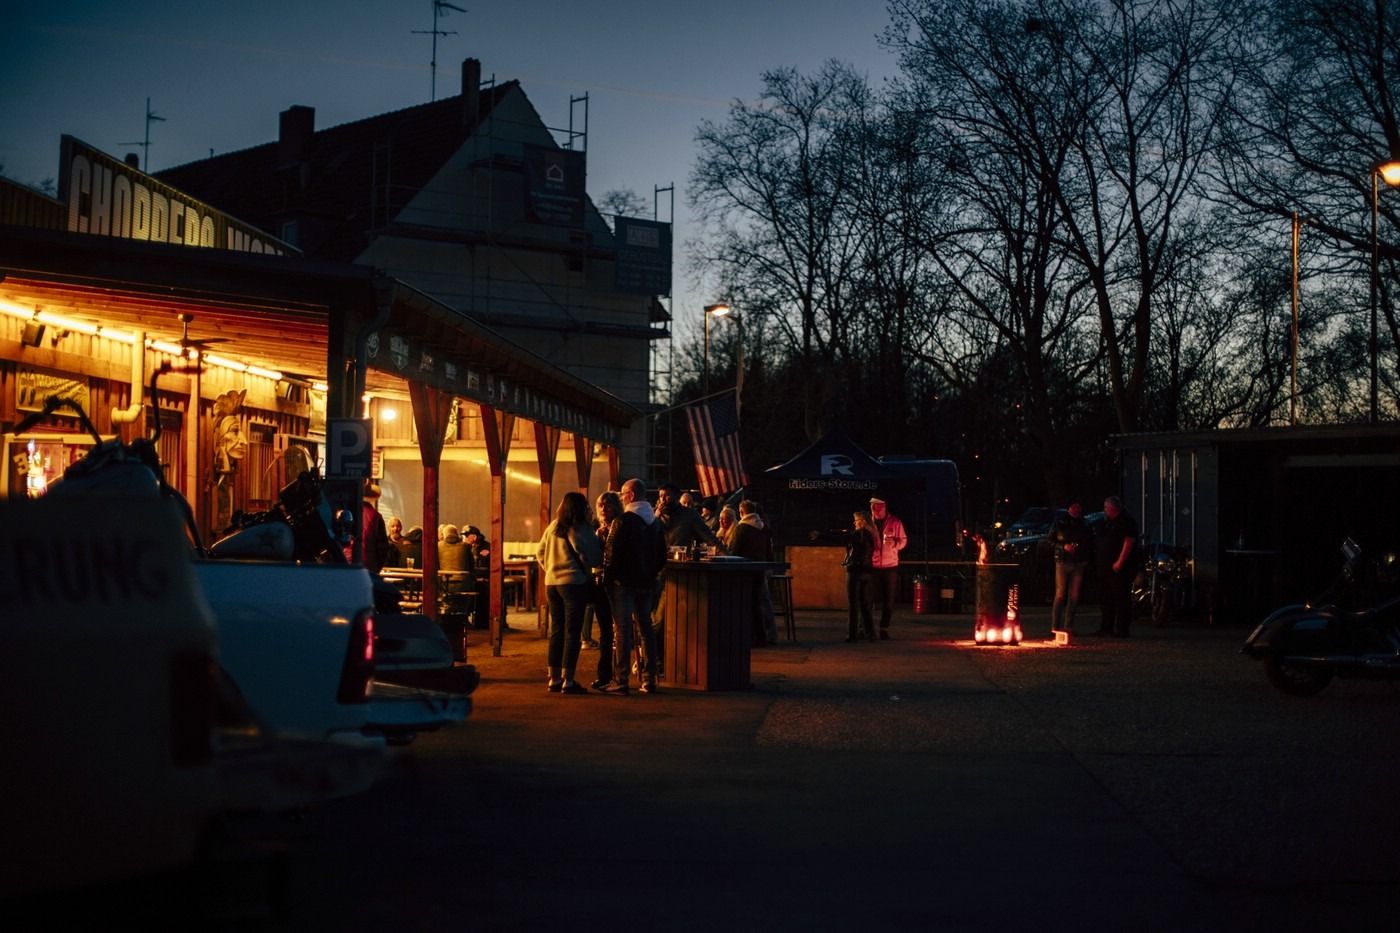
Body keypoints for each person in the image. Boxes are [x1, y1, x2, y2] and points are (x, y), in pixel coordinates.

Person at [596, 478, 666, 695]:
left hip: (623, 584)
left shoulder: (623, 521)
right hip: (646, 584)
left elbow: (611, 554)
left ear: (632, 495)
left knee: (623, 631)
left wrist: (607, 579)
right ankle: (649, 678)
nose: (622, 498)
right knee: (646, 629)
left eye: (623, 494)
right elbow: (661, 555)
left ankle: (621, 679)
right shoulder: (655, 522)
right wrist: (651, 575)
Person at [536, 491, 601, 694]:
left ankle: (554, 678)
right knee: (572, 632)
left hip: (551, 584)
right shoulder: (581, 527)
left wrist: (550, 568)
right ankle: (568, 680)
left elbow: (539, 551)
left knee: (557, 630)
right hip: (573, 584)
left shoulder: (553, 526)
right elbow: (594, 556)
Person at [729, 498, 778, 646]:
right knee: (757, 603)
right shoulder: (763, 527)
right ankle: (761, 636)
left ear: (741, 512)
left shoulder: (742, 528)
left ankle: (749, 636)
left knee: (746, 603)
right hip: (760, 569)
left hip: (744, 570)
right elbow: (769, 550)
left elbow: (734, 550)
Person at [1094, 495, 1139, 637]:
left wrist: (1120, 561)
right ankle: (1106, 627)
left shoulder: (1127, 522)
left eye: (1106, 507)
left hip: (1120, 567)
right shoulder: (1106, 522)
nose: (1104, 510)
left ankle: (1122, 629)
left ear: (1112, 508)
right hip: (1105, 566)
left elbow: (1128, 542)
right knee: (1106, 597)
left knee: (1121, 597)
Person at [1048, 498, 1093, 636]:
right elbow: (1050, 539)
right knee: (1060, 594)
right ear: (1068, 508)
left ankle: (1068, 626)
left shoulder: (1085, 523)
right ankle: (1055, 627)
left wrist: (1082, 551)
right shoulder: (1060, 522)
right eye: (1073, 507)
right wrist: (1063, 546)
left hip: (1078, 562)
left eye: (1078, 507)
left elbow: (1090, 540)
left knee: (1074, 595)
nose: (1076, 510)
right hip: (1063, 561)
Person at [869, 497, 908, 640]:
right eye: (874, 507)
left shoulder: (895, 522)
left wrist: (895, 543)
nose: (876, 510)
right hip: (872, 566)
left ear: (885, 507)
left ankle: (883, 628)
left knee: (889, 599)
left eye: (879, 507)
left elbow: (903, 540)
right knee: (868, 598)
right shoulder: (867, 523)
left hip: (890, 566)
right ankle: (866, 627)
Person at [844, 510, 878, 642]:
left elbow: (842, 538)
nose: (854, 523)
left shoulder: (858, 534)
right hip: (867, 572)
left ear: (862, 522)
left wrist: (820, 535)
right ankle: (871, 634)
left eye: (856, 520)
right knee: (865, 604)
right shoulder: (872, 535)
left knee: (853, 604)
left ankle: (852, 635)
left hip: (855, 571)